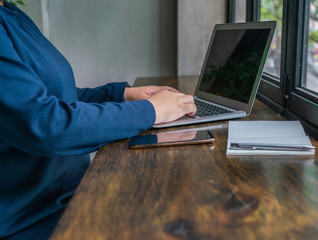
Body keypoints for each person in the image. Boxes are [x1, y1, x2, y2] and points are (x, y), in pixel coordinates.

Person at [0, 1, 196, 239]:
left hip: (70, 196)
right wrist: (150, 111)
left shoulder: (10, 12)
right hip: (33, 221)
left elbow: (59, 96)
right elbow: (44, 124)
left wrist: (125, 95)